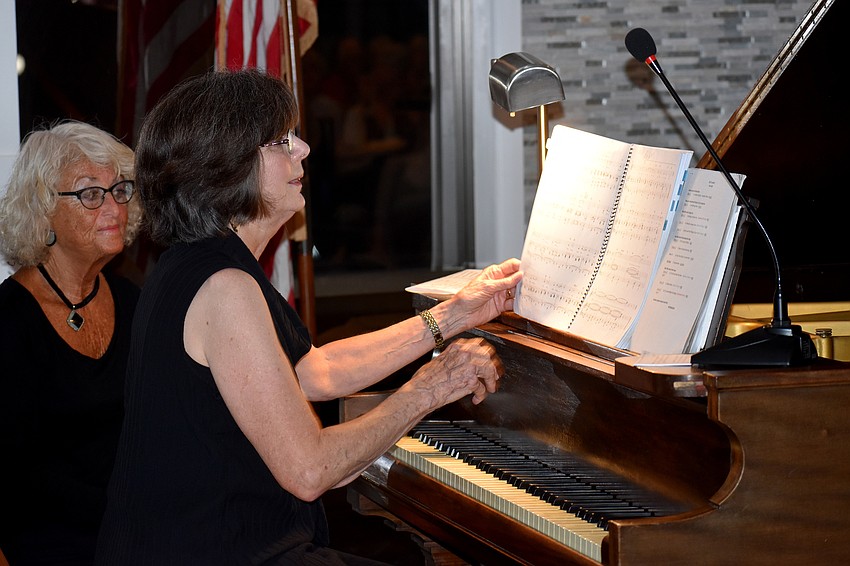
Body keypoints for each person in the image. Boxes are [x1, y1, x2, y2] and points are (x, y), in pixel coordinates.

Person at [95, 69, 522, 565]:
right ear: (227, 167)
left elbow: (316, 372)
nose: (303, 149)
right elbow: (311, 470)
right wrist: (431, 387)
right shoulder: (224, 286)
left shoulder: (200, 263)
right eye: (281, 141)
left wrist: (454, 315)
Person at [0, 120, 142, 564]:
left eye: (119, 190)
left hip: (137, 542)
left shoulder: (134, 303)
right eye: (90, 194)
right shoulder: (8, 321)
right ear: (43, 208)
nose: (114, 207)